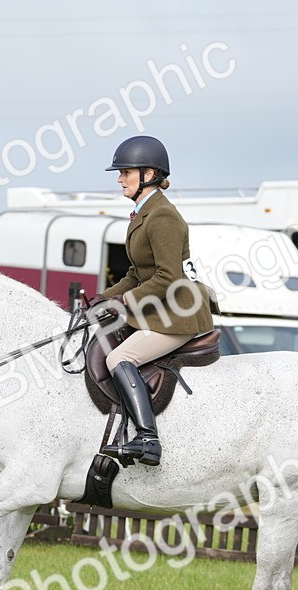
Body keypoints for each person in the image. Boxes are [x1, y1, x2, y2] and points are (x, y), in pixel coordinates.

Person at [89, 135, 214, 467]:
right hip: (161, 308)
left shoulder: (163, 217)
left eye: (126, 172)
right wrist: (104, 297)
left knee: (119, 358)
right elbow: (136, 273)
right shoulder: (143, 213)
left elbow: (167, 277)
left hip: (179, 314)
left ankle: (148, 439)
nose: (120, 179)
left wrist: (125, 302)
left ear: (150, 174)